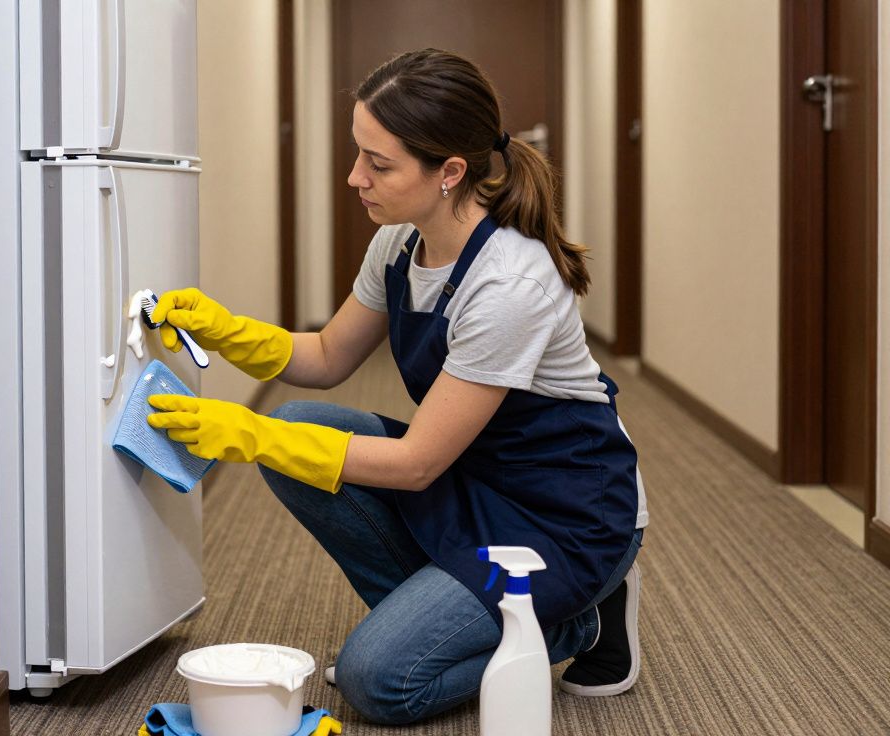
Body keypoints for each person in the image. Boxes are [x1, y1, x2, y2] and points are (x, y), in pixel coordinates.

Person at [145, 48, 648, 726]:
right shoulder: (401, 243)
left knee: (377, 680)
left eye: (378, 165)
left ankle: (576, 625)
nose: (356, 178)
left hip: (564, 517)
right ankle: (439, 615)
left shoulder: (508, 283)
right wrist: (226, 329)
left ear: (449, 173)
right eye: (359, 155)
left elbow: (416, 466)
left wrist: (253, 435)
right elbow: (325, 355)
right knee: (300, 422)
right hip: (473, 476)